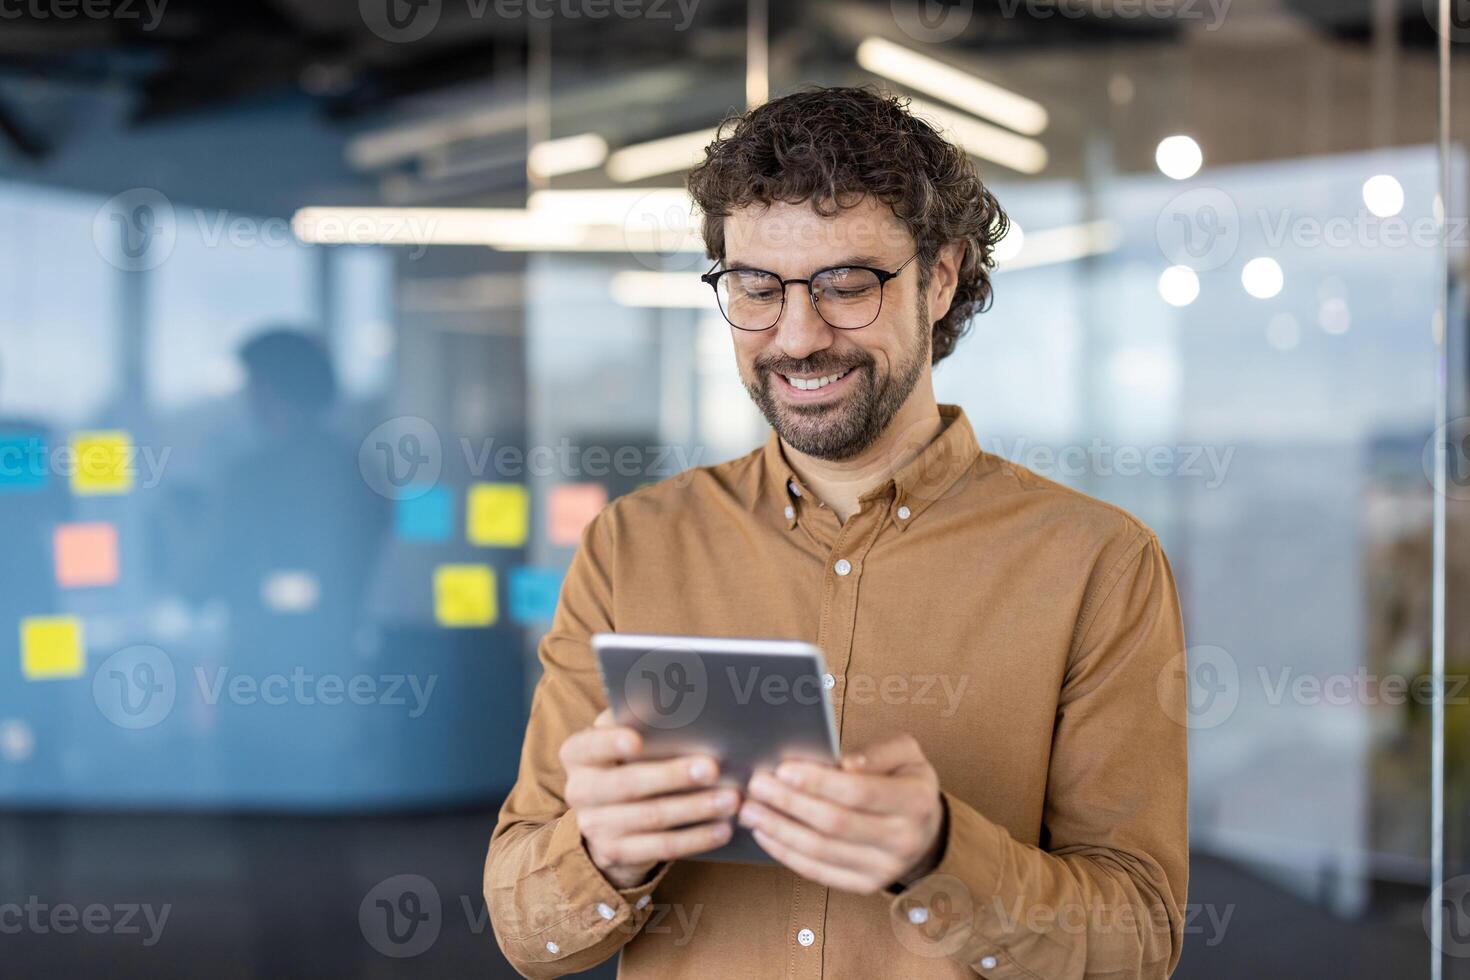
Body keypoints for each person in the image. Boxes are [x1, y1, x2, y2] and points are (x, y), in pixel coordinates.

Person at [485, 86, 1188, 979]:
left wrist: (940, 856)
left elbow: (1138, 941)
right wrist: (602, 855)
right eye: (755, 288)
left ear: (939, 278)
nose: (798, 336)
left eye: (847, 285)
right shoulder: (633, 545)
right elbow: (524, 929)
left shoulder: (1097, 564)